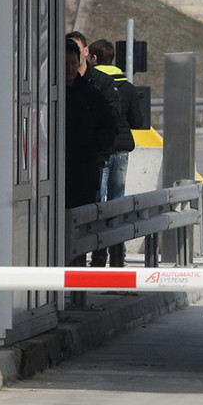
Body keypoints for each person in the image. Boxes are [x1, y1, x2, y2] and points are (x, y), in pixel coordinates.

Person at [66, 31, 121, 266]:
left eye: (72, 63)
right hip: (50, 178)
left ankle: (77, 281)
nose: (69, 68)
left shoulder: (91, 94)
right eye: (64, 63)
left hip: (82, 174)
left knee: (79, 229)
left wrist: (93, 148)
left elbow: (111, 127)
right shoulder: (46, 95)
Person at [88, 39, 144, 267]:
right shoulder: (128, 87)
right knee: (117, 202)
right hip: (121, 150)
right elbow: (138, 121)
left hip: (100, 151)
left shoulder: (91, 83)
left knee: (98, 202)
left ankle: (99, 254)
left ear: (94, 58)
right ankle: (118, 255)